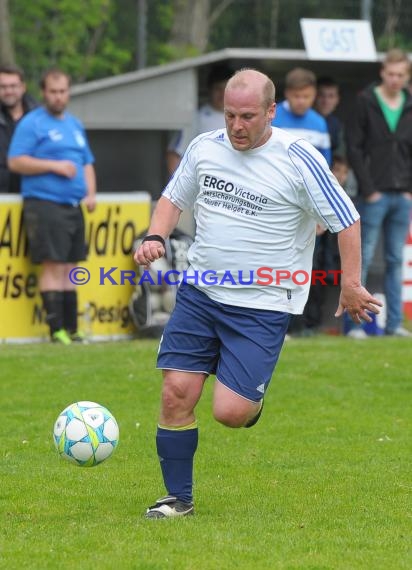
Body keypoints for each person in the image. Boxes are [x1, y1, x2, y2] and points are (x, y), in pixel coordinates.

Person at [134, 69, 382, 519]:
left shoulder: (299, 157)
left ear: (271, 111)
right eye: (230, 114)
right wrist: (156, 235)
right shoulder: (204, 147)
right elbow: (174, 197)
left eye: (247, 116)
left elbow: (346, 217)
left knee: (230, 412)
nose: (236, 126)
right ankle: (177, 498)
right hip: (201, 293)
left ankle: (251, 402)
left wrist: (350, 284)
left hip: (264, 304)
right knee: (175, 391)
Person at [8, 68, 96, 345]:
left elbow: (87, 162)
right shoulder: (31, 123)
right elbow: (15, 161)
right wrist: (53, 166)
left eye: (63, 91)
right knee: (53, 266)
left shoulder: (74, 124)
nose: (59, 97)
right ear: (44, 93)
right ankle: (55, 329)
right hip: (45, 204)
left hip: (73, 205)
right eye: (53, 92)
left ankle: (72, 328)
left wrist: (90, 192)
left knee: (71, 266)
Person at [346, 48, 412, 338]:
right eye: (391, 74)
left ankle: (395, 324)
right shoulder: (364, 101)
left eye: (401, 75)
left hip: (403, 194)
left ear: (407, 76)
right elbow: (354, 147)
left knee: (396, 260)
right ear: (382, 73)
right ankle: (354, 326)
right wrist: (368, 189)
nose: (395, 79)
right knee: (362, 257)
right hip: (373, 194)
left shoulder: (410, 103)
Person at [272, 67, 332, 335]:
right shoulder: (273, 117)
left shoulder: (319, 123)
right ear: (287, 94)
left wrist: (321, 214)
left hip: (307, 207)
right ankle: (276, 323)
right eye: (297, 96)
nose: (301, 101)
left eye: (307, 96)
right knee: (274, 266)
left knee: (305, 266)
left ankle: (302, 325)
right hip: (276, 204)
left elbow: (325, 171)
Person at [166, 63, 232, 175]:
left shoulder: (243, 118)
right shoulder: (196, 118)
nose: (222, 94)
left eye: (226, 89)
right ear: (210, 90)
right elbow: (174, 155)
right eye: (218, 89)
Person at [0, 65, 37, 193]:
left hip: (33, 195)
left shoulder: (39, 119)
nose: (8, 91)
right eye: (3, 87)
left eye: (13, 86)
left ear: (23, 87)